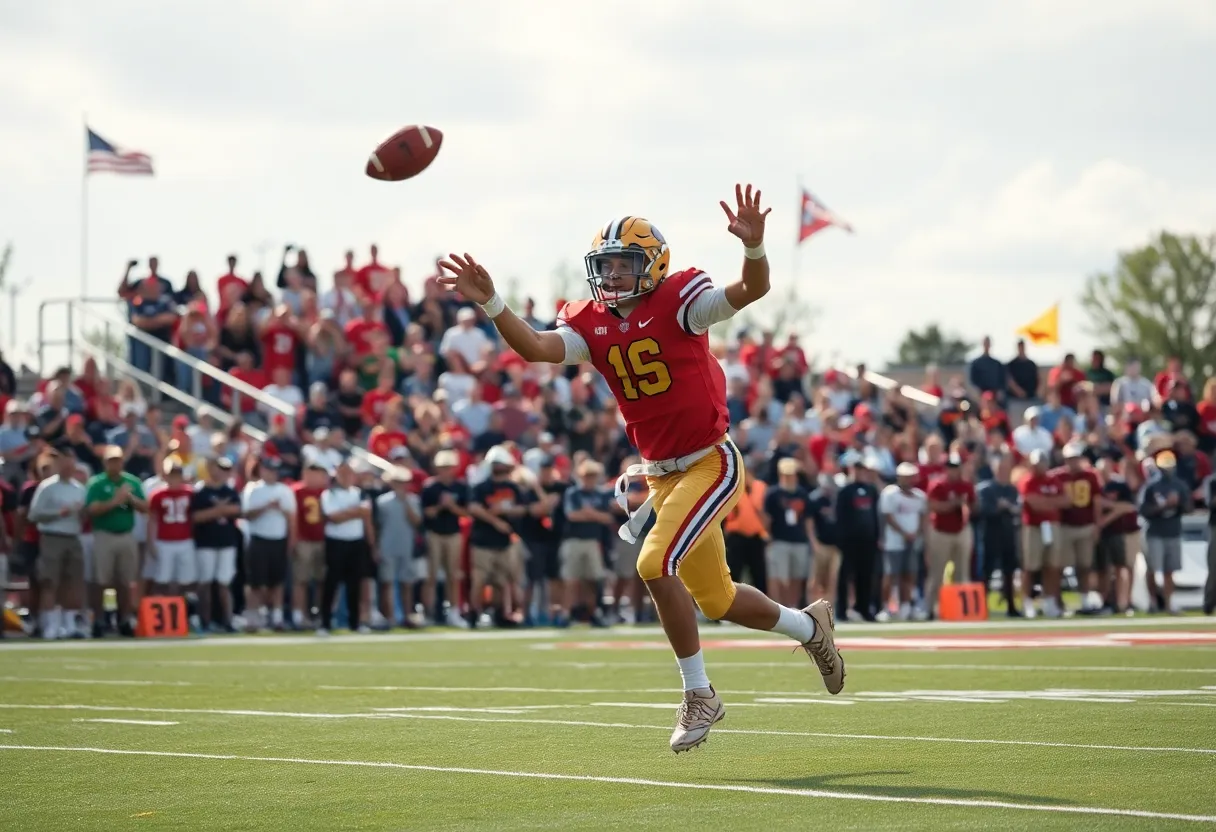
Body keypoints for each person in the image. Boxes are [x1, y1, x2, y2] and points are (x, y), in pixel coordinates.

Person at [438, 185, 843, 753]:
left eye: (625, 266)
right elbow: (533, 346)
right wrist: (491, 303)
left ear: (653, 266)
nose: (613, 277)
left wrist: (753, 248)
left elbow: (753, 288)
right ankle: (809, 626)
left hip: (710, 462)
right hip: (660, 473)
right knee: (718, 600)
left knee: (654, 562)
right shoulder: (590, 323)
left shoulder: (683, 301)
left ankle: (699, 693)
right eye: (605, 267)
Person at [85, 445, 149, 635]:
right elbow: (93, 510)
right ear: (105, 462)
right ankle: (99, 620)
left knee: (126, 581)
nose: (116, 464)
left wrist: (129, 499)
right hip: (104, 534)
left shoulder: (132, 482)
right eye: (112, 461)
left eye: (118, 460)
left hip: (126, 535)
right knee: (101, 580)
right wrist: (116, 500)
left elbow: (145, 507)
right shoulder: (97, 483)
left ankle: (124, 620)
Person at [191, 456, 241, 631]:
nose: (220, 472)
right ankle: (205, 620)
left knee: (224, 583)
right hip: (206, 542)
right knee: (204, 583)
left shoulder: (230, 491)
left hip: (226, 542)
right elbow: (195, 517)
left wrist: (217, 510)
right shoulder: (200, 492)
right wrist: (219, 510)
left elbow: (237, 510)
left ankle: (227, 620)